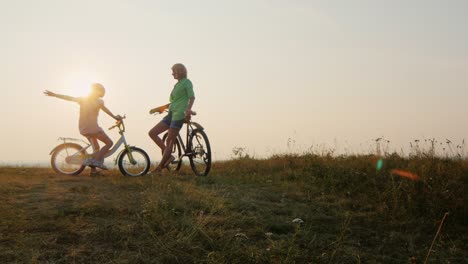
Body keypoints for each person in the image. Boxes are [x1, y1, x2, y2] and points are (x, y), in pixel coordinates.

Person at [44, 83, 122, 175]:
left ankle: (93, 171)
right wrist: (115, 117)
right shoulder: (99, 102)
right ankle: (96, 162)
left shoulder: (83, 100)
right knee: (109, 143)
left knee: (96, 148)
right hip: (93, 128)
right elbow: (106, 110)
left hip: (84, 128)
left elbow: (68, 98)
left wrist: (55, 95)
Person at [148, 63, 195, 174]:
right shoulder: (177, 85)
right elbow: (174, 102)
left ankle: (159, 168)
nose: (172, 73)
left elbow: (192, 97)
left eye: (174, 71)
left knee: (170, 140)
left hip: (179, 114)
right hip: (171, 113)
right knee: (152, 133)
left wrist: (188, 109)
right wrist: (160, 108)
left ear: (179, 71)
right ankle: (168, 156)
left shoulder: (187, 82)